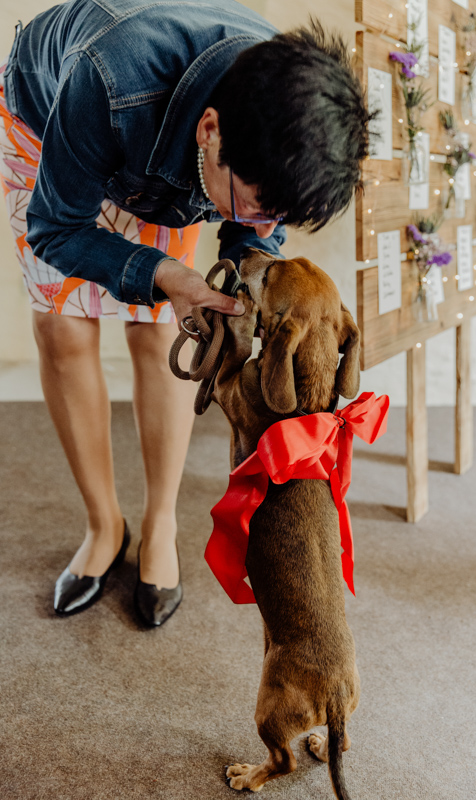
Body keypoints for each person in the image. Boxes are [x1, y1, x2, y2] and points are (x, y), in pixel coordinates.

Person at [0, 0, 370, 627]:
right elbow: (55, 227)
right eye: (254, 208)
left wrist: (247, 250)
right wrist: (162, 272)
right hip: (52, 120)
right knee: (61, 327)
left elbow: (252, 223)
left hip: (171, 148)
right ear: (209, 132)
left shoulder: (277, 112)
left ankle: (160, 523)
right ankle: (102, 527)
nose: (263, 228)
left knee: (165, 329)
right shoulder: (107, 79)